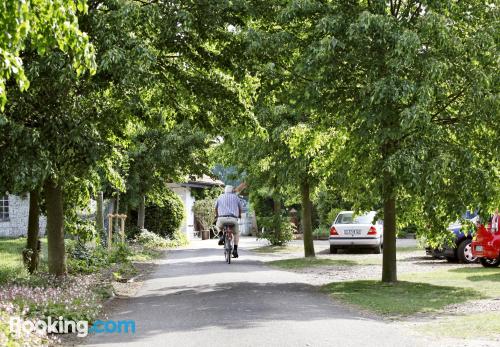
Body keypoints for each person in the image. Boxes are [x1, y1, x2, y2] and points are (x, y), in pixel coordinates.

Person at [215, 185, 243, 258]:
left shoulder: (220, 197)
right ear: (232, 191)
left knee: (217, 226)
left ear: (225, 190)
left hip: (222, 219)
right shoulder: (236, 197)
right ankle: (235, 250)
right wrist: (239, 215)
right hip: (233, 219)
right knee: (236, 233)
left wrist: (217, 215)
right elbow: (240, 208)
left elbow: (216, 208)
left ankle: (221, 235)